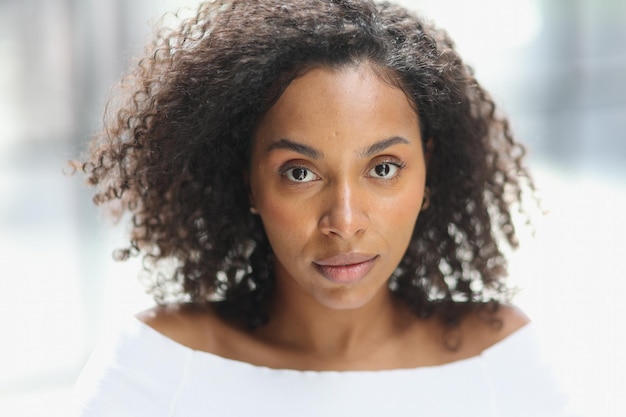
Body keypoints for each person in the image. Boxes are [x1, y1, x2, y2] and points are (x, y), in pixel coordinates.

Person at [72, 0, 573, 415]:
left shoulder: (500, 360)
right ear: (248, 182)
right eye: (299, 172)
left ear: (428, 175)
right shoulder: (156, 367)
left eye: (383, 168)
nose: (345, 222)